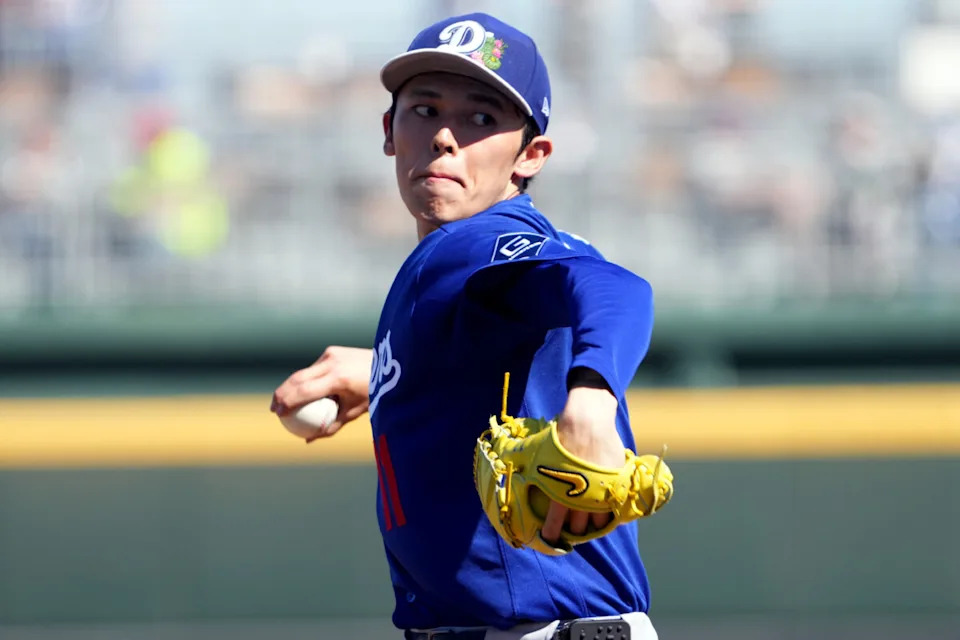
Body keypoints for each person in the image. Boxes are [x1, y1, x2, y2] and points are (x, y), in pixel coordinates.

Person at [271, 13, 659, 640]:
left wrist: (590, 401)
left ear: (530, 156)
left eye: (482, 119)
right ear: (389, 130)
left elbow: (617, 289)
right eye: (424, 109)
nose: (446, 136)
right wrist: (393, 371)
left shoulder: (477, 241)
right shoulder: (459, 268)